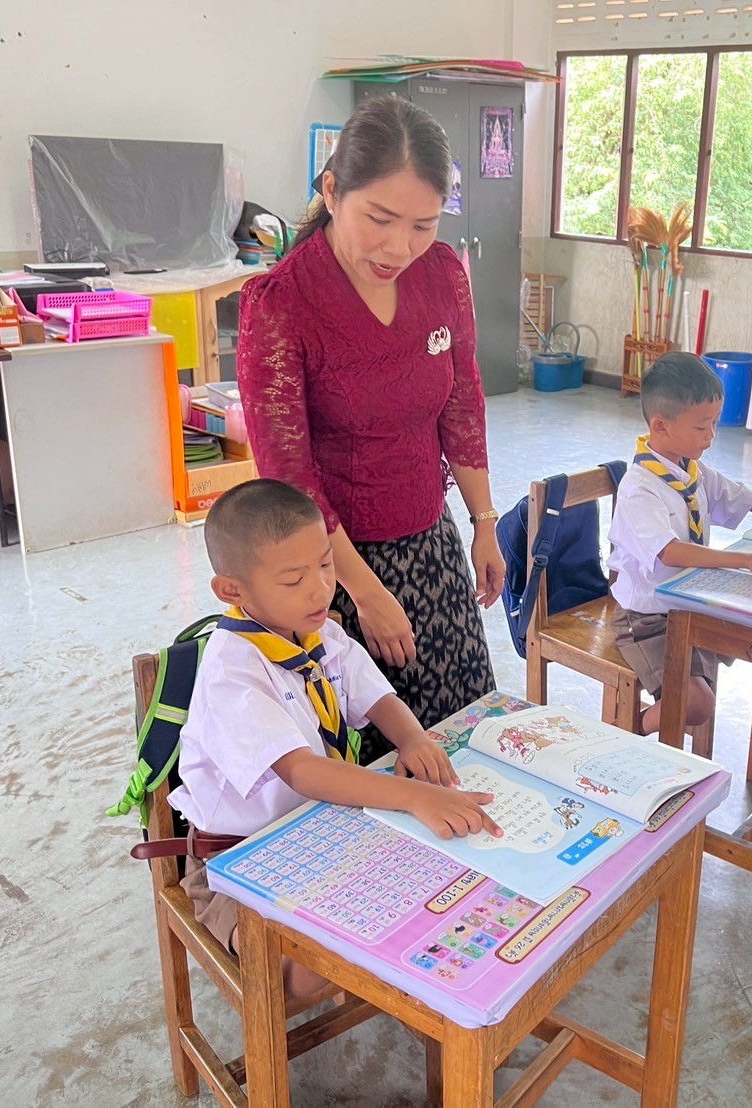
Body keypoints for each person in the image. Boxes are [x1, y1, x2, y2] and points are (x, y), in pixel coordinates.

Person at [236, 97, 502, 763]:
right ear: (331, 192)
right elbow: (288, 478)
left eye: (422, 225)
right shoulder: (282, 303)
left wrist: (484, 521)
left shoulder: (441, 274)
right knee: (377, 763)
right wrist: (362, 590)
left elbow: (462, 402)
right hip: (330, 568)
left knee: (464, 735)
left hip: (432, 545)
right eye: (378, 219)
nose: (399, 247)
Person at [170, 479, 501, 993]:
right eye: (293, 579)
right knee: (305, 972)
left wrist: (413, 739)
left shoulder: (320, 632)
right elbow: (302, 772)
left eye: (326, 565)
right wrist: (413, 795)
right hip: (238, 859)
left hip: (323, 830)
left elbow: (376, 696)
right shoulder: (231, 671)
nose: (320, 589)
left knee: (435, 893)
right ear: (232, 590)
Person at [608, 353, 752, 735]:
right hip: (646, 616)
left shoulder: (692, 472)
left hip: (689, 603)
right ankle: (629, 728)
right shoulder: (639, 488)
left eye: (714, 423)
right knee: (697, 703)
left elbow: (749, 498)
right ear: (660, 426)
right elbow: (670, 552)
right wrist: (744, 560)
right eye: (702, 426)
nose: (711, 436)